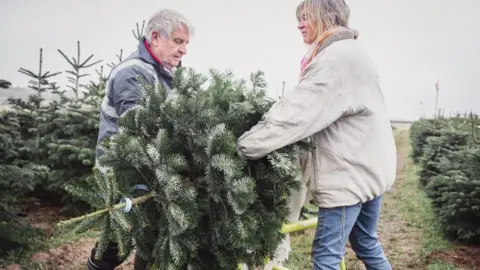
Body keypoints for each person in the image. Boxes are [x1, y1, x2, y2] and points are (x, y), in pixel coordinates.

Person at [236, 0, 396, 269]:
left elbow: (294, 115)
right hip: (371, 169)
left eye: (306, 17)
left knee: (326, 257)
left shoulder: (334, 60)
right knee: (366, 243)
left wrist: (244, 146)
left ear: (328, 17)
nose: (299, 23)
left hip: (349, 178)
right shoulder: (353, 51)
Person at [86, 8, 194, 270]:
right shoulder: (133, 73)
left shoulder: (165, 74)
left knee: (153, 240)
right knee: (117, 243)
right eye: (178, 41)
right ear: (155, 37)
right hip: (124, 174)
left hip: (151, 171)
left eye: (187, 44)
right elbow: (139, 127)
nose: (183, 50)